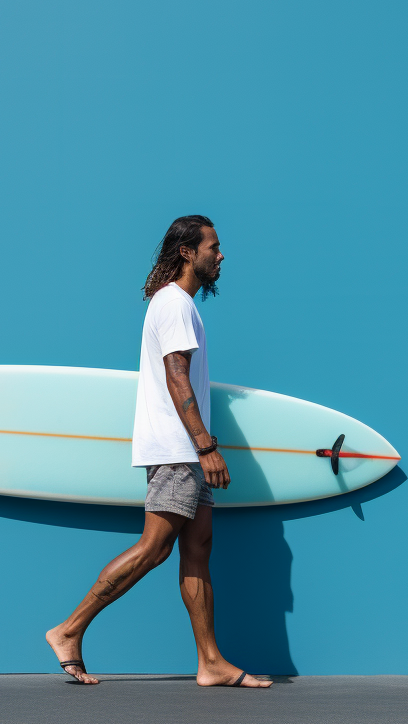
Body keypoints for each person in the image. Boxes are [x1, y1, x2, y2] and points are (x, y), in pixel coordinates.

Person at [45, 215, 272, 688]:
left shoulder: (181, 304)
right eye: (213, 246)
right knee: (154, 548)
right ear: (188, 252)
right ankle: (69, 629)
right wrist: (205, 445)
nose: (221, 254)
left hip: (184, 448)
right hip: (179, 448)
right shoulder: (174, 304)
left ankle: (210, 662)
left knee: (198, 549)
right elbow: (176, 376)